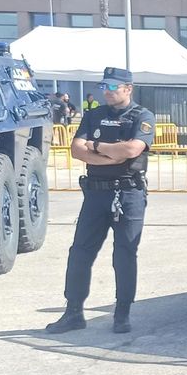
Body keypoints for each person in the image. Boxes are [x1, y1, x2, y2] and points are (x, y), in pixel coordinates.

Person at [46, 68, 157, 335]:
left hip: (128, 194)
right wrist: (110, 155)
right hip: (96, 194)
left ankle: (122, 313)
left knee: (124, 254)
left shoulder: (142, 116)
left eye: (113, 87)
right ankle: (73, 312)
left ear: (128, 88)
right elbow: (76, 149)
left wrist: (96, 147)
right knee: (80, 252)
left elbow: (132, 149)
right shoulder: (94, 115)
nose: (107, 91)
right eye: (104, 86)